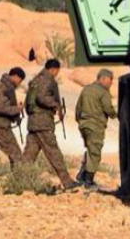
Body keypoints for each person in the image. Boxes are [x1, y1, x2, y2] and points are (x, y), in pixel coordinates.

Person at [22, 59, 80, 190]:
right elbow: (41, 97)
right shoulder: (48, 79)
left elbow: (28, 102)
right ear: (54, 69)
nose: (57, 73)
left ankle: (19, 179)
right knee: (54, 152)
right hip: (43, 123)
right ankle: (67, 182)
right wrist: (56, 105)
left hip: (33, 122)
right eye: (57, 71)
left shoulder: (35, 80)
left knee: (29, 155)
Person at [75, 69, 118, 189]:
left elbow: (78, 108)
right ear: (103, 79)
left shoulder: (86, 89)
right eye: (110, 80)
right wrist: (116, 115)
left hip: (84, 124)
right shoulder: (103, 92)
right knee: (95, 153)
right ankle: (89, 181)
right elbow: (108, 108)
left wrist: (80, 122)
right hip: (95, 126)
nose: (111, 83)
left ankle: (82, 176)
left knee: (90, 149)